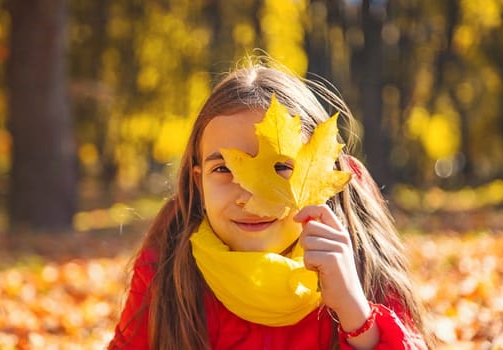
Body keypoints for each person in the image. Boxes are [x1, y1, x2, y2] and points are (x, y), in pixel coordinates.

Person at [109, 60, 430, 349]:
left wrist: (356, 314)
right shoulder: (167, 261)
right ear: (199, 182)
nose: (248, 196)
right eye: (223, 169)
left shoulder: (361, 259)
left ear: (321, 172)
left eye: (279, 168)